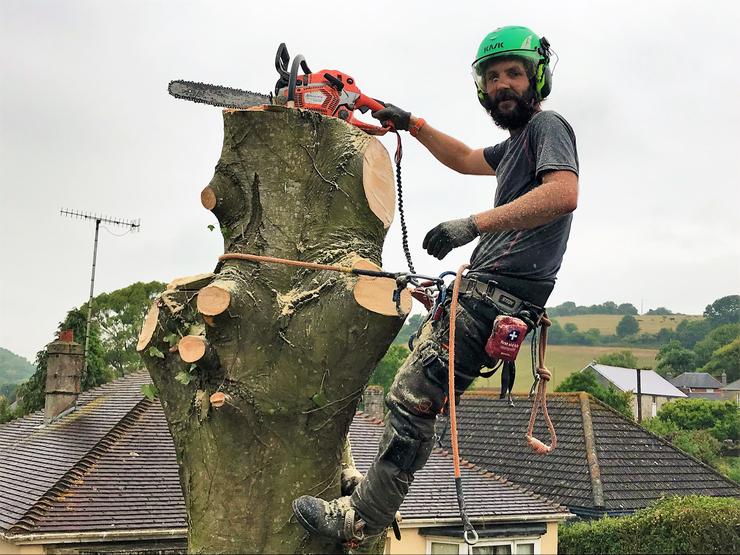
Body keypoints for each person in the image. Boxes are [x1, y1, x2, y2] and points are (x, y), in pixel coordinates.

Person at [292, 25, 579, 545]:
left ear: (537, 77)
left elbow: (563, 194)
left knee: (412, 400)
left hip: (495, 300)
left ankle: (361, 520)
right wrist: (412, 124)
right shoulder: (515, 147)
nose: (502, 86)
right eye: (492, 78)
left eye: (513, 73)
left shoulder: (548, 128)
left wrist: (472, 225)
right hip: (482, 296)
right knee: (411, 394)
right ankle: (368, 496)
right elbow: (467, 159)